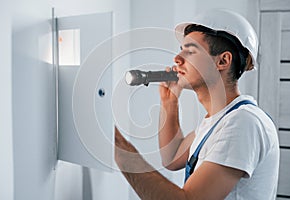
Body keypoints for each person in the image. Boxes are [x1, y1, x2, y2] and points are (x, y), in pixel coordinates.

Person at [114, 9, 280, 200]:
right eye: (181, 49)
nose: (177, 59)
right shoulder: (218, 121)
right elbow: (172, 157)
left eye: (190, 51)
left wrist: (117, 147)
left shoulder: (243, 122)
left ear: (223, 60)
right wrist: (169, 102)